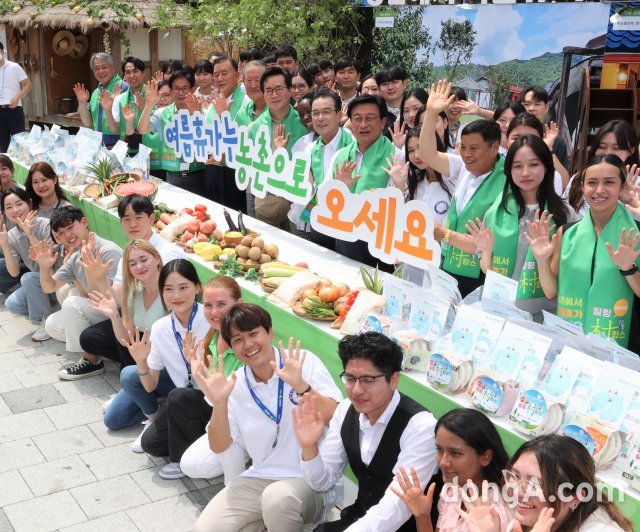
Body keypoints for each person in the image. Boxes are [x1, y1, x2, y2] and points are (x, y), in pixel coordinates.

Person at [193, 303, 343, 531]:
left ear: (270, 332)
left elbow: (337, 416)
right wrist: (219, 403)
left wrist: (301, 386)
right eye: (238, 339)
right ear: (232, 347)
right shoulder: (235, 382)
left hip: (311, 480)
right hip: (259, 477)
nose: (248, 344)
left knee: (277, 500)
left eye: (254, 334)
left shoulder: (301, 361)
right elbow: (219, 446)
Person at [294, 332, 437, 531]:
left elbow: (397, 507)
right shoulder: (345, 410)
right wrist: (309, 447)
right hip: (360, 517)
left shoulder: (420, 427)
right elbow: (322, 483)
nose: (357, 390)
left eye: (368, 380)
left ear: (393, 380)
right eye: (350, 378)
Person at [116, 259, 212, 480]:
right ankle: (196, 439)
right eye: (168, 289)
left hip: (211, 399)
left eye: (183, 287)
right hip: (183, 402)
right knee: (151, 444)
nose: (176, 296)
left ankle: (181, 461)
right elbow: (150, 386)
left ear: (197, 288)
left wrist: (197, 363)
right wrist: (141, 361)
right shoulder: (161, 327)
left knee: (179, 396)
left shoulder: (209, 321)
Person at [533, 155, 640, 348]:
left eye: (609, 182)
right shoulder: (566, 233)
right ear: (582, 186)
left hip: (623, 341)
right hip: (572, 340)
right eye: (592, 183)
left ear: (622, 187)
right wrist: (541, 260)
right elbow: (550, 292)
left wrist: (628, 268)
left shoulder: (636, 233)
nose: (599, 190)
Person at [465, 136, 570, 322]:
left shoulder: (564, 215)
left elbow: (557, 288)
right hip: (499, 314)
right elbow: (487, 270)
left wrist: (543, 259)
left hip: (541, 321)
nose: (525, 173)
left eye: (534, 164)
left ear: (546, 166)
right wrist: (487, 252)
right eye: (518, 166)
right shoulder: (496, 211)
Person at [78, 194, 184, 376]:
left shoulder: (169, 253)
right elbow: (117, 300)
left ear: (151, 218)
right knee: (90, 338)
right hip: (137, 321)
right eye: (127, 219)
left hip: (165, 325)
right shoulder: (129, 253)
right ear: (120, 223)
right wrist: (100, 278)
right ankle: (135, 370)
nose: (133, 225)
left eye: (138, 218)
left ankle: (138, 375)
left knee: (134, 337)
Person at [419, 80, 505, 297]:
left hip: (480, 275)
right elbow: (428, 155)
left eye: (474, 148)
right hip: (448, 265)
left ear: (495, 147)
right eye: (463, 147)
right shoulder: (462, 168)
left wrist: (443, 234)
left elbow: (482, 242)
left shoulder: (508, 179)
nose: (466, 154)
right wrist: (430, 116)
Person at [462, 435, 633, 531]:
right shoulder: (523, 520)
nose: (518, 492)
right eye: (514, 475)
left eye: (535, 483)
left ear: (575, 497)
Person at [30, 206, 122, 379]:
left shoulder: (108, 250)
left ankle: (92, 360)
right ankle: (99, 346)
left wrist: (91, 271)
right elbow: (49, 286)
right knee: (52, 325)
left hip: (120, 315)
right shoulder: (76, 255)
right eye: (61, 233)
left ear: (84, 222)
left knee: (71, 304)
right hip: (101, 311)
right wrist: (44, 266)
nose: (68, 236)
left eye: (71, 227)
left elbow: (111, 300)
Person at [393, 408, 510, 532]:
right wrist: (422, 516)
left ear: (486, 457)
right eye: (439, 449)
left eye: (455, 453)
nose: (443, 462)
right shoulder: (452, 489)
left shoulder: (497, 517)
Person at [88, 240, 165, 429]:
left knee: (128, 375)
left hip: (169, 366)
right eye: (132, 263)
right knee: (113, 420)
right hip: (145, 364)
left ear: (156, 259)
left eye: (143, 259)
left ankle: (156, 418)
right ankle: (157, 407)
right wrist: (114, 315)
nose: (139, 266)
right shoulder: (134, 292)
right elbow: (126, 339)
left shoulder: (170, 290)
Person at [179, 275, 244, 480]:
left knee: (198, 465)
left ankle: (236, 486)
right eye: (208, 305)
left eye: (222, 304)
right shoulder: (211, 338)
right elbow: (215, 400)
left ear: (239, 304)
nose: (214, 312)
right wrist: (195, 370)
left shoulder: (246, 345)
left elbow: (232, 402)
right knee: (189, 465)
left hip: (245, 423)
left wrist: (199, 375)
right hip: (221, 417)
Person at [328, 94, 400, 272]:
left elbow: (402, 203)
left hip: (379, 243)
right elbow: (324, 197)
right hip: (344, 236)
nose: (363, 124)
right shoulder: (340, 156)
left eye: (370, 118)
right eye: (357, 119)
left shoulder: (397, 156)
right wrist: (339, 187)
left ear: (383, 122)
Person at [248, 66, 309, 229]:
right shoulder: (255, 128)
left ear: (290, 90)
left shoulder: (305, 123)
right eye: (268, 90)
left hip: (297, 198)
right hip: (268, 198)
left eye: (279, 89)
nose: (274, 95)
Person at [293, 87, 353, 248]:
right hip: (319, 221)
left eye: (326, 112)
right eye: (315, 113)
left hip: (349, 224)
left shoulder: (354, 145)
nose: (320, 118)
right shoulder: (310, 149)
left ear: (339, 115)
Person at [0, 188, 60, 340]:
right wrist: (5, 244)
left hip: (57, 279)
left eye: (19, 204)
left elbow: (47, 262)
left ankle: (45, 320)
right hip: (39, 282)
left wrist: (30, 233)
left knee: (27, 278)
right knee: (12, 304)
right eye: (8, 207)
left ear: (29, 203)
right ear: (4, 212)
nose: (15, 210)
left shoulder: (46, 224)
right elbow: (13, 272)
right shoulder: (12, 235)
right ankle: (51, 308)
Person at [137, 72, 206, 195]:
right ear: (170, 90)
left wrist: (196, 116)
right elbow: (142, 129)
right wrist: (149, 104)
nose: (180, 92)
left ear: (193, 90)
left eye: (185, 88)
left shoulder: (203, 112)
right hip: (173, 176)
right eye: (176, 88)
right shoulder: (162, 113)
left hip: (199, 175)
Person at [204, 56, 251, 211]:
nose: (220, 78)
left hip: (235, 171)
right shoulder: (214, 102)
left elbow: (246, 140)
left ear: (237, 76)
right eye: (216, 75)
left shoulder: (247, 103)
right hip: (213, 169)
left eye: (225, 73)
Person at [567, 119, 639, 216]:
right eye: (602, 146)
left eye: (616, 148)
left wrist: (631, 202)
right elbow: (565, 216)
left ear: (631, 150)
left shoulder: (637, 185)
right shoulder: (577, 179)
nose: (608, 153)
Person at [387, 126, 453, 225]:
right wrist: (399, 186)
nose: (416, 155)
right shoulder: (411, 181)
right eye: (411, 151)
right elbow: (395, 218)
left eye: (420, 147)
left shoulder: (454, 179)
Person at [506, 114, 568, 195]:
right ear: (507, 139)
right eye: (516, 138)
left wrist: (548, 149)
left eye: (531, 137)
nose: (524, 142)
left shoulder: (553, 176)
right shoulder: (495, 168)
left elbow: (565, 185)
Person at [74, 53, 127, 147]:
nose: (100, 71)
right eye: (96, 68)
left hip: (120, 144)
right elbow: (88, 123)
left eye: (104, 67)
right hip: (99, 144)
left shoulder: (123, 88)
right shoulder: (95, 93)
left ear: (113, 68)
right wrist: (82, 103)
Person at [518, 85, 570, 170]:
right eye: (526, 104)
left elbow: (564, 181)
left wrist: (550, 150)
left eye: (537, 104)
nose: (531, 108)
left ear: (546, 108)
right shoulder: (509, 135)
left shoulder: (556, 141)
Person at [0, 40, 31, 153]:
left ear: (2, 51)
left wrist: (18, 97)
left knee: (20, 145)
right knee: (2, 148)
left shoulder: (14, 67)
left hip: (14, 110)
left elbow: (28, 84)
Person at [110, 56, 146, 150]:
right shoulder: (119, 99)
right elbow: (115, 129)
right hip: (127, 150)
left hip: (152, 150)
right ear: (124, 76)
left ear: (143, 73)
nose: (132, 76)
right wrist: (107, 109)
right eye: (128, 72)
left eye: (135, 71)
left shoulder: (153, 96)